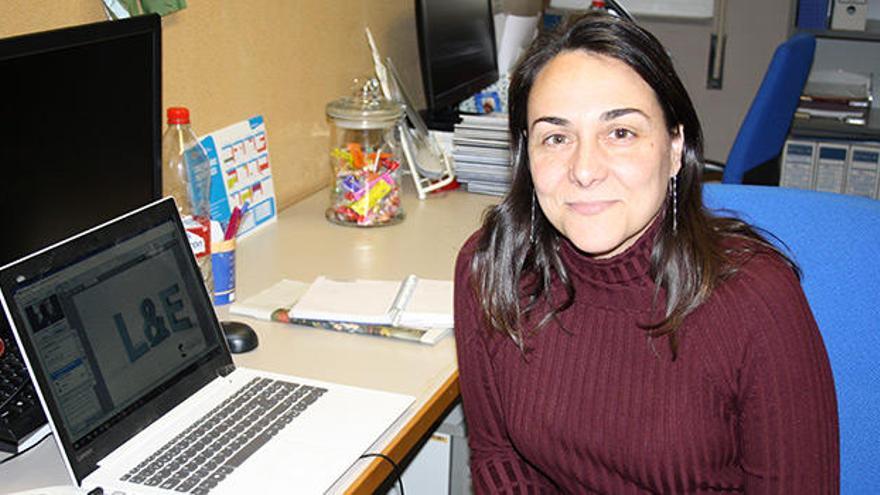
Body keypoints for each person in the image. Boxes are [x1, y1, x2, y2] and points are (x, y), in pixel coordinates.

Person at [454, 12, 839, 494]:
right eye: (556, 137)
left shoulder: (755, 301)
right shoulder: (493, 270)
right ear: (525, 155)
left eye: (620, 133)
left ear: (675, 147)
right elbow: (499, 457)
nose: (585, 169)